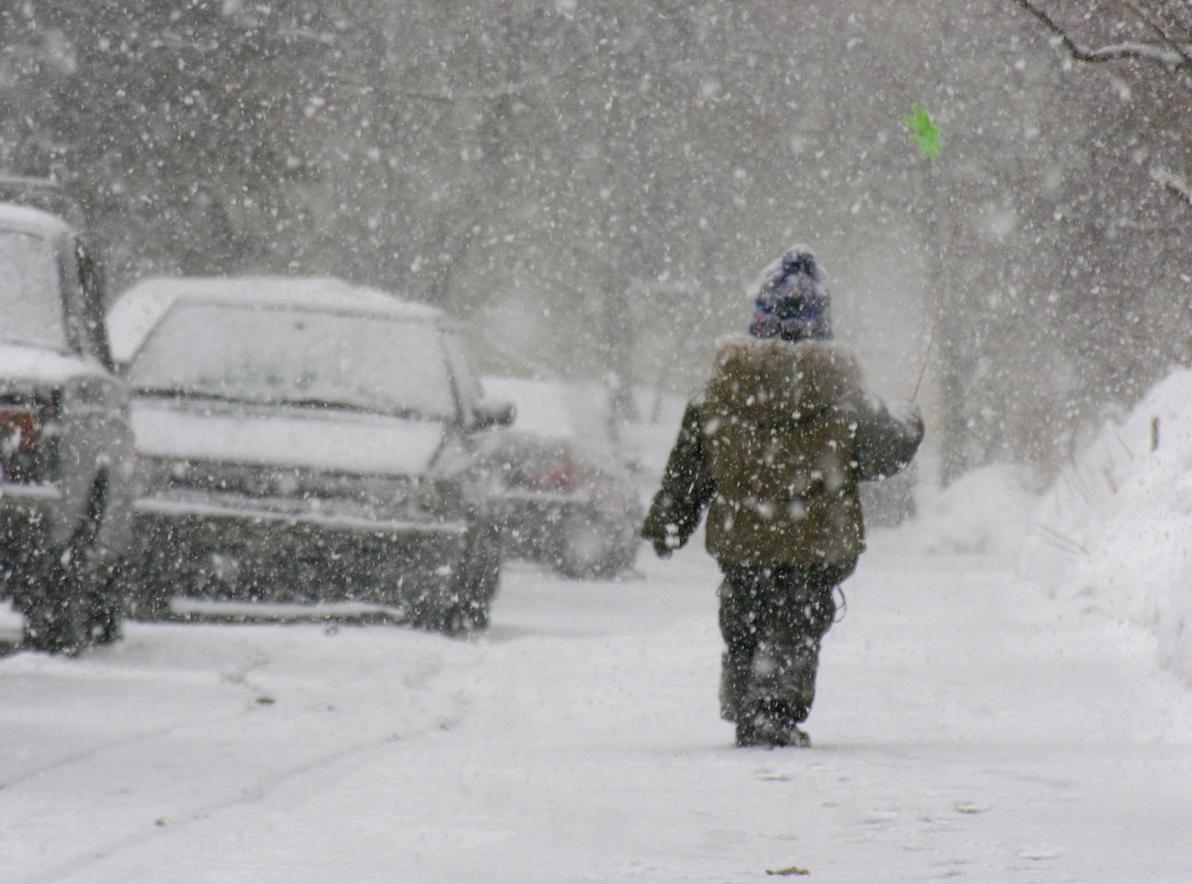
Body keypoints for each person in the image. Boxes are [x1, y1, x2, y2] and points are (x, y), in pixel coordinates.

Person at [641, 245, 924, 748]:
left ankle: (745, 697)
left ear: (759, 323)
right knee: (798, 619)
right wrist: (909, 419)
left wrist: (671, 520)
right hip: (816, 544)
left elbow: (690, 471)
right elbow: (888, 451)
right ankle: (773, 709)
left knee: (744, 611)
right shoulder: (845, 399)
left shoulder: (718, 396)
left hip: (742, 539)